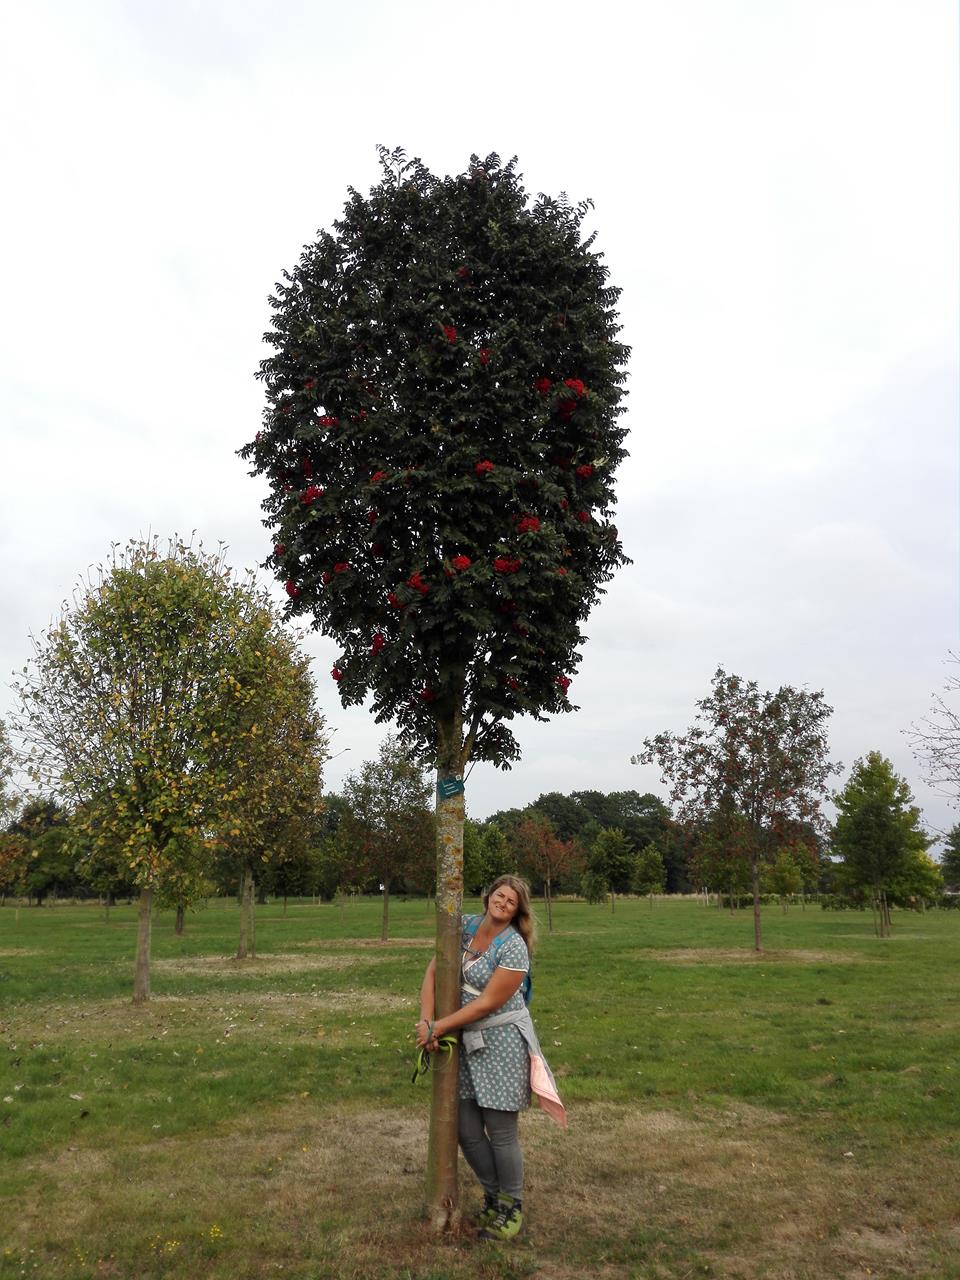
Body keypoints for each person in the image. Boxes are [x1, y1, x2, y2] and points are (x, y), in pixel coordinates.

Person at [415, 874, 565, 1242]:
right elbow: (434, 971)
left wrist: (440, 1027)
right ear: (488, 897)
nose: (503, 903)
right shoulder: (464, 927)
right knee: (466, 1129)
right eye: (499, 895)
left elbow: (488, 1002)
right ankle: (494, 1195)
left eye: (511, 901)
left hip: (502, 1043)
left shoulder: (514, 946)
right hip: (465, 1039)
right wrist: (426, 1021)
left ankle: (511, 1206)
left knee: (500, 1132)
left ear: (517, 911)